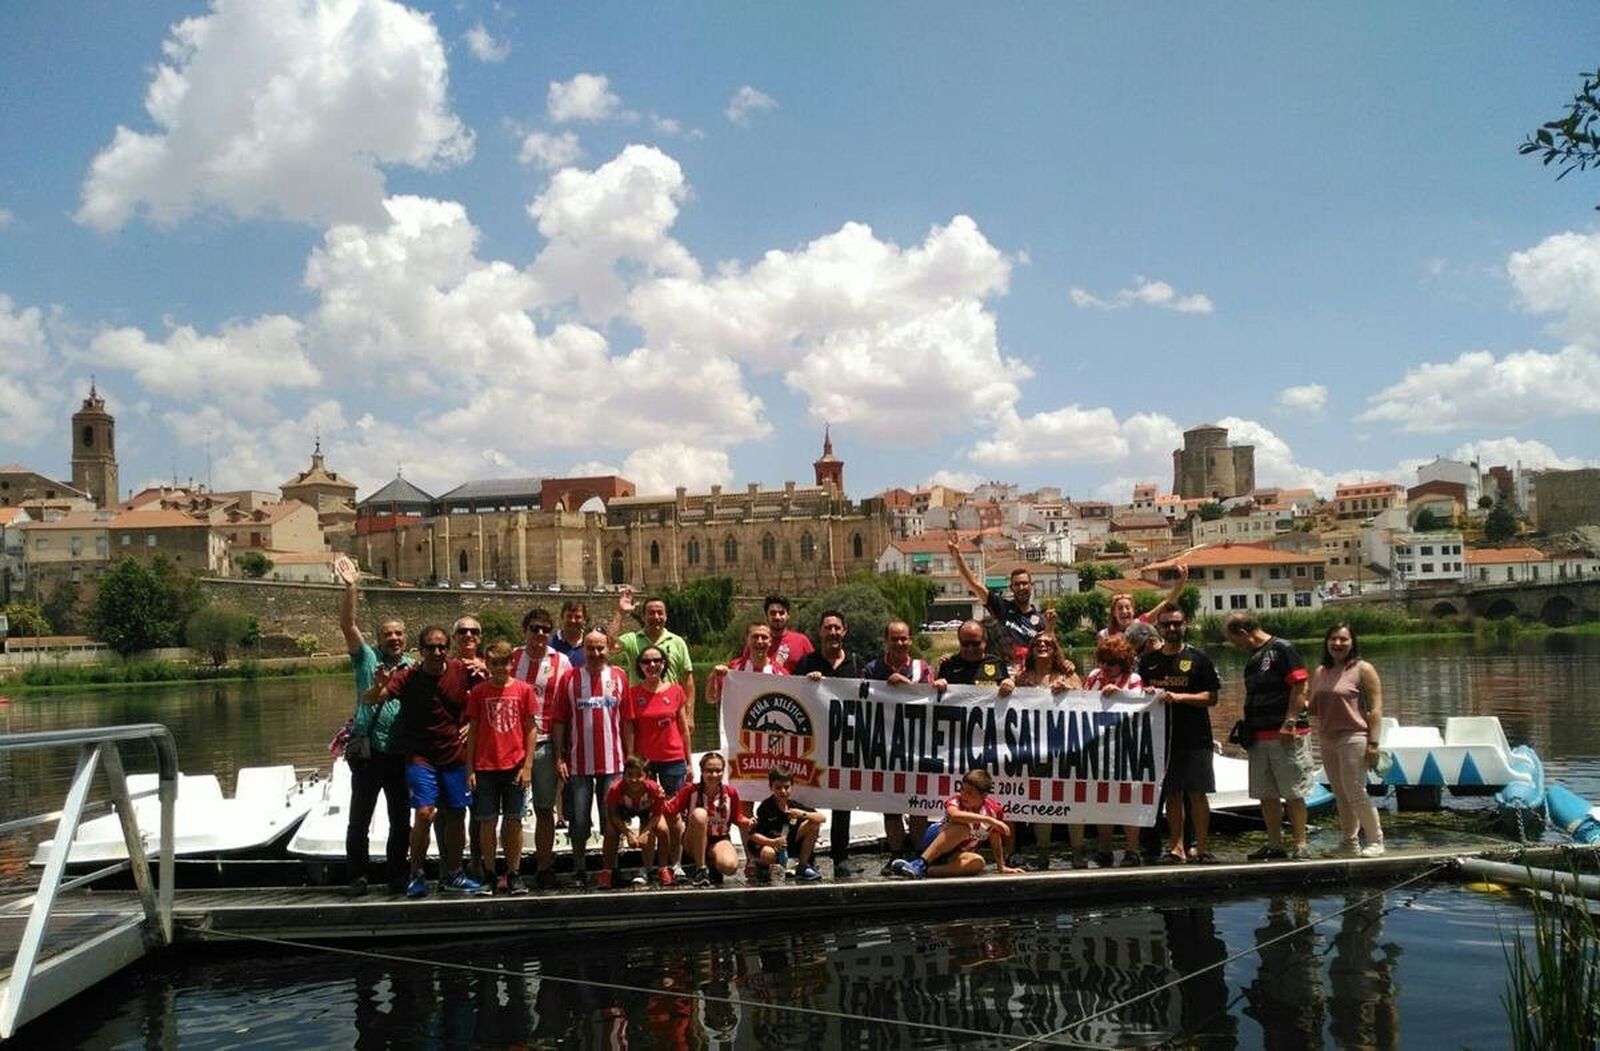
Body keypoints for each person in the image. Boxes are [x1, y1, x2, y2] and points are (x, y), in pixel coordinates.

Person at [364, 625, 490, 897]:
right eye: (431, 647)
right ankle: (416, 874)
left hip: (454, 755)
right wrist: (378, 685)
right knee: (424, 814)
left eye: (442, 647)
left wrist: (484, 670)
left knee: (456, 814)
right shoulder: (408, 676)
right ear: (420, 651)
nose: (437, 652)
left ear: (448, 648)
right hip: (421, 757)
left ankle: (454, 874)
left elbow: (489, 694)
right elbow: (371, 700)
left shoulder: (461, 670)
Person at [334, 554, 411, 895]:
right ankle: (357, 876)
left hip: (399, 753)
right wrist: (352, 587)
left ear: (405, 638)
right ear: (379, 639)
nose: (393, 638)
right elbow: (348, 625)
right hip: (367, 750)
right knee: (360, 818)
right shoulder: (367, 658)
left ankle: (397, 875)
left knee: (400, 819)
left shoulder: (414, 666)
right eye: (387, 634)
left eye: (398, 634)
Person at [1225, 611, 1315, 861]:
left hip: (1284, 733)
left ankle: (1300, 845)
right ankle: (1275, 844)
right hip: (1258, 735)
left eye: (1234, 639)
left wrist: (1289, 722)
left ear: (1243, 633)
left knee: (1294, 791)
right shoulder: (1253, 657)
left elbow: (1300, 685)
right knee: (1266, 794)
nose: (1234, 645)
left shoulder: (1282, 649)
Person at [1137, 609, 1223, 865]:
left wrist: (1179, 697)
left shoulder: (1199, 658)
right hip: (1163, 738)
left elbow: (1212, 697)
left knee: (1197, 793)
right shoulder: (1148, 661)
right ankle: (1177, 847)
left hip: (1196, 737)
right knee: (1172, 794)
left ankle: (1202, 847)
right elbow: (1138, 693)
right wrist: (1147, 693)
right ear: (1159, 629)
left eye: (1177, 624)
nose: (1172, 629)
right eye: (1167, 625)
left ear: (1185, 625)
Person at [551, 629, 630, 885]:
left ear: (608, 649)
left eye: (600, 648)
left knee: (611, 819)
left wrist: (631, 758)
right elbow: (560, 721)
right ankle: (580, 868)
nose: (596, 654)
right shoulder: (569, 678)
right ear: (583, 649)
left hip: (614, 762)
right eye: (591, 648)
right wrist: (559, 758)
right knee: (580, 820)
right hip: (579, 763)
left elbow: (628, 721)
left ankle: (611, 868)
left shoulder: (619, 677)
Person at [795, 609, 865, 877]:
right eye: (828, 628)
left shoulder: (857, 665)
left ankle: (840, 857)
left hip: (845, 741)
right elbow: (792, 694)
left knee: (842, 800)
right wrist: (806, 682)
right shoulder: (806, 663)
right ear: (820, 632)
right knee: (806, 800)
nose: (833, 633)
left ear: (844, 631)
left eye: (837, 628)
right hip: (813, 742)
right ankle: (806, 857)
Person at [465, 640, 538, 894]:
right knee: (487, 823)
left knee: (513, 821)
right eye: (494, 663)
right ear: (487, 664)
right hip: (485, 767)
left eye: (503, 663)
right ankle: (489, 874)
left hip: (514, 766)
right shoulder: (478, 692)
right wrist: (470, 768)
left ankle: (514, 872)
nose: (499, 668)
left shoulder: (524, 690)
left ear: (511, 663)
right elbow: (473, 731)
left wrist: (527, 766)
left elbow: (531, 729)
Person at [1310, 623, 1385, 858]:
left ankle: (1376, 841)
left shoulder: (1363, 669)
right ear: (1327, 642)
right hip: (1327, 738)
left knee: (1355, 791)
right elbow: (1312, 708)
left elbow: (1375, 709)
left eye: (1343, 639)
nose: (1338, 644)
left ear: (1353, 643)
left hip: (1354, 737)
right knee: (1340, 794)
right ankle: (1349, 843)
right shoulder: (1322, 671)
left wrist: (1373, 744)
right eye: (1333, 639)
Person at [863, 620, 934, 865]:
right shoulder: (872, 669)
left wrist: (906, 685)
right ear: (886, 641)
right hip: (885, 746)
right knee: (890, 804)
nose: (900, 643)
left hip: (917, 746)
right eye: (894, 639)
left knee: (918, 803)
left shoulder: (922, 668)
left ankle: (918, 856)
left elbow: (933, 700)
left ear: (911, 640)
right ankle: (895, 855)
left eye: (904, 638)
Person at [509, 607, 571, 889]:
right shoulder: (511, 658)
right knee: (512, 812)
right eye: (535, 628)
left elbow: (568, 707)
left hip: (546, 743)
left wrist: (564, 751)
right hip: (512, 746)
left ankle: (544, 866)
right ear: (525, 630)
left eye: (546, 629)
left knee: (544, 809)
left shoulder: (563, 661)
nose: (541, 634)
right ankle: (512, 869)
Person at [1013, 632, 1082, 868]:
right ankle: (1043, 854)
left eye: (1048, 644)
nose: (1043, 646)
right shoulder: (1022, 678)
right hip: (1035, 748)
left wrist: (1070, 690)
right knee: (1041, 800)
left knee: (1073, 799)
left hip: (1067, 747)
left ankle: (1077, 853)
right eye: (1038, 644)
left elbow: (1085, 700)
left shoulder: (1069, 675)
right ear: (1032, 650)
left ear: (1056, 650)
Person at [1080, 634, 1148, 867]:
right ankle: (1104, 850)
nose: (1106, 667)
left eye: (1112, 663)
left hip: (1125, 748)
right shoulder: (1092, 678)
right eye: (1103, 661)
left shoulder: (1134, 678)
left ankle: (1131, 850)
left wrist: (1120, 695)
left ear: (1123, 663)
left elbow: (1141, 705)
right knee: (1102, 799)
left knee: (1129, 798)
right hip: (1097, 748)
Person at [889, 769, 1020, 879]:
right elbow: (954, 815)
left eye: (969, 792)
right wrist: (989, 820)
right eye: (962, 789)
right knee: (962, 828)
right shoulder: (956, 801)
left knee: (978, 863)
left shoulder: (994, 811)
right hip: (932, 843)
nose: (963, 794)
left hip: (955, 853)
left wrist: (1001, 866)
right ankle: (919, 863)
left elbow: (995, 839)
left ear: (984, 795)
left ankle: (924, 871)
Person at [947, 538, 1055, 671]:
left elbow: (1050, 650)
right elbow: (974, 584)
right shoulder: (1002, 607)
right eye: (1017, 584)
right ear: (1011, 588)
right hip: (1001, 673)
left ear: (1031, 586)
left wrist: (1050, 627)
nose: (1021, 587)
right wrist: (957, 555)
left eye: (1024, 583)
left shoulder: (1041, 620)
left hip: (1028, 676)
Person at [609, 587, 696, 732]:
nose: (656, 617)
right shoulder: (633, 640)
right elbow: (608, 647)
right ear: (642, 617)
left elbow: (688, 680)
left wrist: (689, 715)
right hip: (640, 715)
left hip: (671, 714)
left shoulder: (677, 642)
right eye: (651, 613)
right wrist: (620, 613)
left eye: (660, 613)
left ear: (666, 616)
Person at [663, 751, 753, 887]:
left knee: (730, 867)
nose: (714, 775)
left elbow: (736, 817)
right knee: (700, 814)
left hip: (719, 838)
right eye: (709, 771)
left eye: (718, 771)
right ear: (702, 772)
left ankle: (712, 863)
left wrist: (747, 821)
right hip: (692, 841)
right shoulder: (690, 790)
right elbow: (670, 810)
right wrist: (658, 797)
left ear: (723, 772)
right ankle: (701, 870)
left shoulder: (731, 793)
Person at [598, 755, 670, 888]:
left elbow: (657, 814)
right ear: (623, 775)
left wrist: (646, 832)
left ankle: (662, 868)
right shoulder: (615, 789)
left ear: (647, 776)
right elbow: (613, 815)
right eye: (629, 775)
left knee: (663, 829)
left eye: (639, 775)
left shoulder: (655, 789)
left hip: (647, 811)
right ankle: (607, 871)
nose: (634, 779)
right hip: (623, 811)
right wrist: (628, 833)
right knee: (610, 831)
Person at [748, 767, 825, 883]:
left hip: (790, 842)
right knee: (767, 854)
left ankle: (803, 866)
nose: (783, 791)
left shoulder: (794, 805)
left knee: (814, 824)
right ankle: (764, 867)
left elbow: (822, 818)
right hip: (772, 844)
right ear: (771, 787)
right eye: (778, 788)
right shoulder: (765, 807)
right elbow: (753, 835)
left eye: (786, 787)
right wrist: (773, 842)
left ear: (792, 786)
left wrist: (802, 814)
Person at [709, 622, 788, 704]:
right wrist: (713, 676)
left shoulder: (780, 674)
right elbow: (711, 698)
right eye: (755, 637)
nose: (759, 641)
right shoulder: (733, 669)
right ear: (747, 640)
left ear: (770, 641)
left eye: (764, 637)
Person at [1098, 570, 1187, 641]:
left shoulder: (1142, 623)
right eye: (1120, 608)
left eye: (1128, 607)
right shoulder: (1104, 635)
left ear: (1133, 611)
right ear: (1114, 613)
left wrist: (1182, 579)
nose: (1124, 611)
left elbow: (1167, 602)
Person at [935, 620, 1016, 696]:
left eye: (975, 644)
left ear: (985, 641)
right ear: (960, 642)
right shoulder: (949, 664)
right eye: (965, 644)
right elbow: (936, 696)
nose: (970, 648)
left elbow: (1007, 687)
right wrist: (938, 685)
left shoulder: (997, 663)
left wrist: (1009, 684)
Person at [760, 595, 814, 672]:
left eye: (781, 613)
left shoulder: (802, 641)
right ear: (766, 616)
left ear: (788, 615)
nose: (777, 617)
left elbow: (814, 667)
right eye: (773, 613)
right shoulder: (757, 642)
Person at [551, 600, 589, 668]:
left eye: (578, 617)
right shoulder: (549, 644)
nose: (573, 620)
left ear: (584, 620)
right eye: (569, 616)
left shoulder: (590, 645)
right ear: (562, 617)